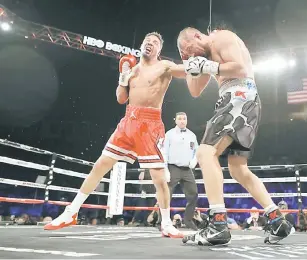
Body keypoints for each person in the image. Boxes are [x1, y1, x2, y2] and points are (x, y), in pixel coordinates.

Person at [44, 32, 187, 238]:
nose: (150, 43)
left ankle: (166, 223)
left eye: (155, 42)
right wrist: (123, 77)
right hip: (128, 121)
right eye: (147, 41)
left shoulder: (164, 66)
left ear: (159, 50)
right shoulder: (133, 70)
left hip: (151, 124)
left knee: (158, 178)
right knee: (100, 165)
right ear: (141, 45)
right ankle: (70, 212)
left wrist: (199, 65)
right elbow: (121, 99)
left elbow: (183, 71)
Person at [177, 27, 294, 245]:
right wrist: (191, 67)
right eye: (185, 55)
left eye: (188, 50)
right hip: (242, 101)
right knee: (237, 169)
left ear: (196, 36)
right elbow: (195, 91)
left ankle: (218, 224)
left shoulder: (222, 37)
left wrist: (207, 65)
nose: (189, 55)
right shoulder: (205, 56)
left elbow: (239, 67)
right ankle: (277, 219)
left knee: (205, 152)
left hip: (239, 95)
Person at [163, 112, 199, 230]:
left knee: (193, 193)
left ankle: (188, 220)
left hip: (187, 169)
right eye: (180, 119)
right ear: (176, 120)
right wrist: (165, 169)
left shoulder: (192, 135)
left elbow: (196, 150)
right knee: (166, 194)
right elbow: (165, 152)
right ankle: (163, 221)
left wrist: (195, 160)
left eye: (184, 118)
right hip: (173, 167)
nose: (182, 121)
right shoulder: (169, 134)